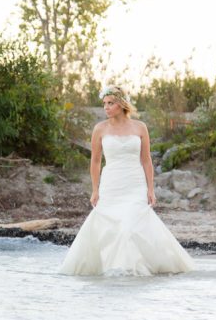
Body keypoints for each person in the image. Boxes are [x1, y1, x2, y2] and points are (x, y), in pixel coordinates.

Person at [58, 85, 195, 276]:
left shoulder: (140, 127)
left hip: (135, 183)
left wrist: (150, 189)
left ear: (122, 104)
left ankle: (130, 270)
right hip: (111, 184)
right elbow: (95, 161)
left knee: (129, 226)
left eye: (110, 103)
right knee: (111, 226)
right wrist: (95, 190)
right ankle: (115, 271)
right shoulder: (100, 129)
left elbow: (146, 160)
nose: (106, 107)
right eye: (104, 103)